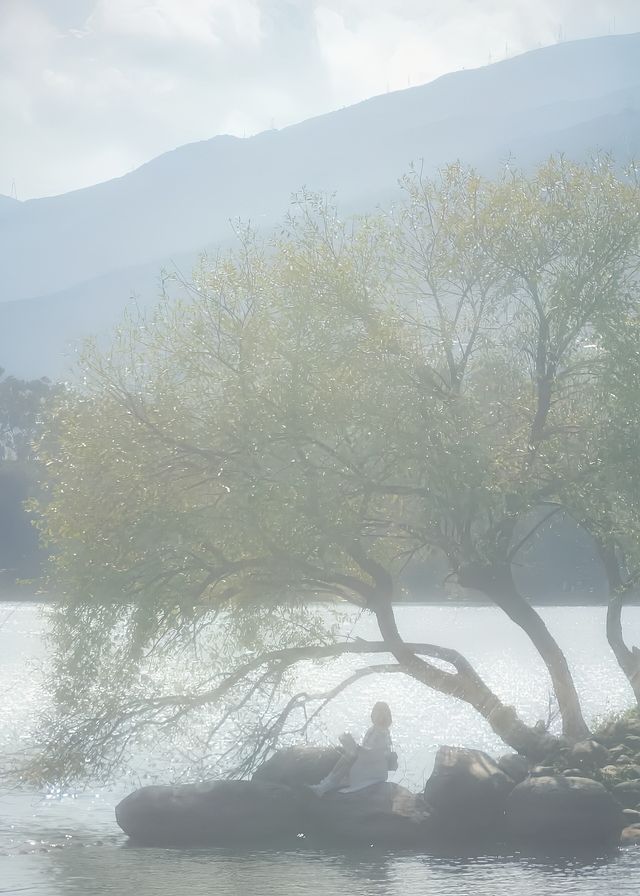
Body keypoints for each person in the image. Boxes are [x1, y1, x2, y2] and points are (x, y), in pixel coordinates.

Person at [309, 701, 395, 796]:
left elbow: (377, 754)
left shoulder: (383, 733)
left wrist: (358, 748)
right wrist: (353, 743)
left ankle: (325, 786)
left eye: (378, 713)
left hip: (374, 769)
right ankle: (326, 782)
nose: (375, 715)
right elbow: (367, 747)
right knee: (348, 755)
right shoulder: (373, 729)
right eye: (375, 712)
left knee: (350, 758)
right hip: (369, 762)